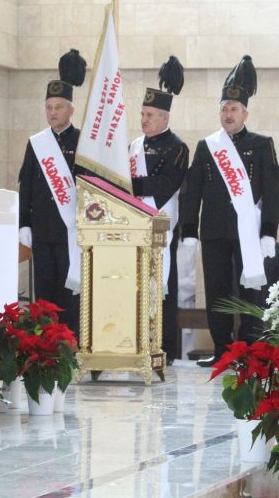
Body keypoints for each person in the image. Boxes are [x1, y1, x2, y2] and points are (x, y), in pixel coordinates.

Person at [182, 56, 279, 367]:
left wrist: (269, 232)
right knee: (217, 292)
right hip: (214, 231)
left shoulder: (262, 144)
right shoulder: (207, 146)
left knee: (251, 291)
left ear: (245, 113)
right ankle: (223, 350)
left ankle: (250, 350)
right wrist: (189, 230)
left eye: (234, 109)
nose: (228, 114)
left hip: (248, 232)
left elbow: (272, 191)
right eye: (224, 109)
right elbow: (192, 190)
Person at [18, 49, 87, 337]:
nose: (53, 113)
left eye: (58, 107)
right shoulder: (37, 143)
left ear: (71, 110)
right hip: (43, 228)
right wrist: (24, 223)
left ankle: (69, 342)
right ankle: (45, 343)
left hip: (70, 229)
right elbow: (26, 185)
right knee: (44, 291)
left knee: (69, 290)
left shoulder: (83, 141)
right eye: (48, 107)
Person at [128, 56, 189, 365]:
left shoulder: (178, 147)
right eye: (142, 114)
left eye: (149, 115)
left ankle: (166, 346)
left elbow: (166, 184)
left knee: (165, 286)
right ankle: (136, 340)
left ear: (164, 117)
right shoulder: (134, 146)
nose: (144, 120)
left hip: (162, 224)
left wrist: (134, 185)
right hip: (134, 225)